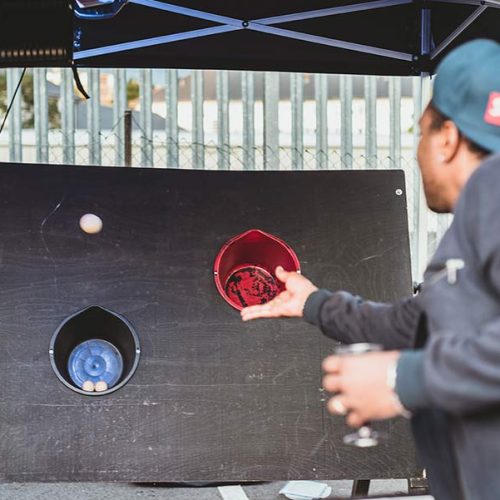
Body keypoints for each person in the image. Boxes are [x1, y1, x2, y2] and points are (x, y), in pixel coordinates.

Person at [241, 39, 500, 500]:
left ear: (447, 137)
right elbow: (417, 323)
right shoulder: (478, 219)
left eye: (419, 133)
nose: (418, 152)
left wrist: (401, 380)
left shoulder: (492, 192)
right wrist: (314, 302)